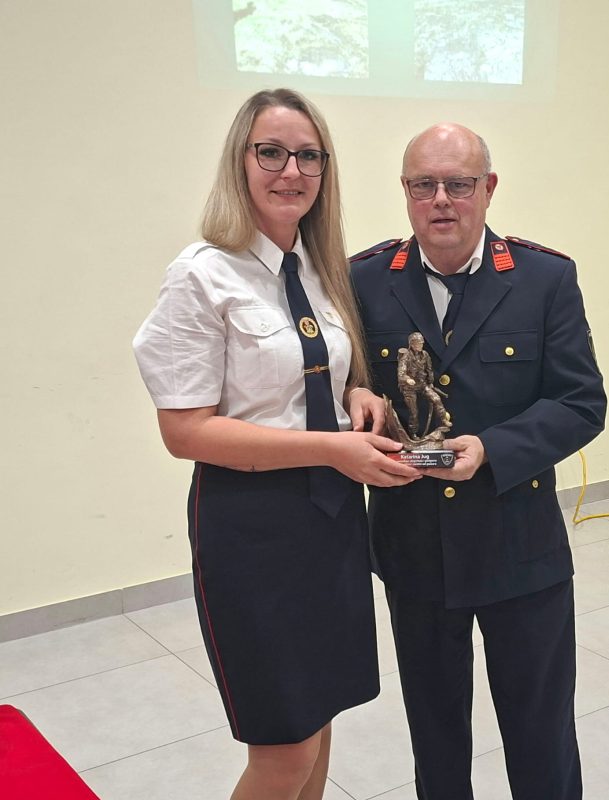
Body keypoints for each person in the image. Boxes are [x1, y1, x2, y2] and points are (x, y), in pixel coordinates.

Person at [133, 89, 418, 800]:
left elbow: (319, 375)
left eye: (309, 156)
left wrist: (357, 395)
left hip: (331, 520)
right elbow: (184, 431)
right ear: (241, 160)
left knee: (319, 722)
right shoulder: (202, 274)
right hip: (252, 529)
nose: (292, 171)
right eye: (271, 152)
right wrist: (331, 450)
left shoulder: (320, 270)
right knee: (284, 749)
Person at [350, 124, 607, 799]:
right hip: (413, 544)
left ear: (488, 188)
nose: (441, 199)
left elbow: (581, 402)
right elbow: (344, 382)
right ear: (405, 191)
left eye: (458, 184)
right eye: (423, 185)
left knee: (540, 732)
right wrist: (353, 399)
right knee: (434, 733)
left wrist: (492, 450)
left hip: (518, 541)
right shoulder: (364, 279)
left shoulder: (544, 278)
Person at [397, 332, 451, 438]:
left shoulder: (425, 355)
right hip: (409, 388)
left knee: (436, 399)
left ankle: (443, 420)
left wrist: (430, 382)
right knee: (414, 412)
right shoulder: (406, 357)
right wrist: (408, 379)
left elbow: (429, 370)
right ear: (412, 344)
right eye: (418, 343)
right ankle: (413, 433)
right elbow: (401, 374)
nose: (421, 345)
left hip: (422, 384)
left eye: (421, 343)